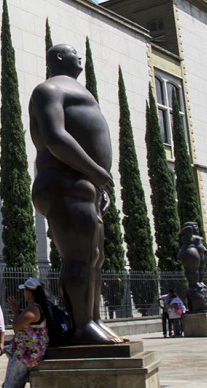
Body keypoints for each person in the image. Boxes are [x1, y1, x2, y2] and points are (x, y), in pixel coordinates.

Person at [29, 44, 124, 345]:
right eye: (73, 52)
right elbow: (55, 137)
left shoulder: (74, 91)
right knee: (79, 257)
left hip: (85, 187)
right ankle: (82, 327)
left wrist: (97, 184)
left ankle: (92, 321)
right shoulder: (48, 90)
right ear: (58, 58)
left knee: (94, 257)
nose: (79, 56)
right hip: (63, 182)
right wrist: (96, 172)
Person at [3, 278, 51, 388]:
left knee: (10, 386)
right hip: (32, 353)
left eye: (24, 290)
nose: (23, 293)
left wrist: (15, 313)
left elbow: (16, 326)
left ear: (28, 292)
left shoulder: (33, 309)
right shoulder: (41, 306)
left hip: (25, 355)